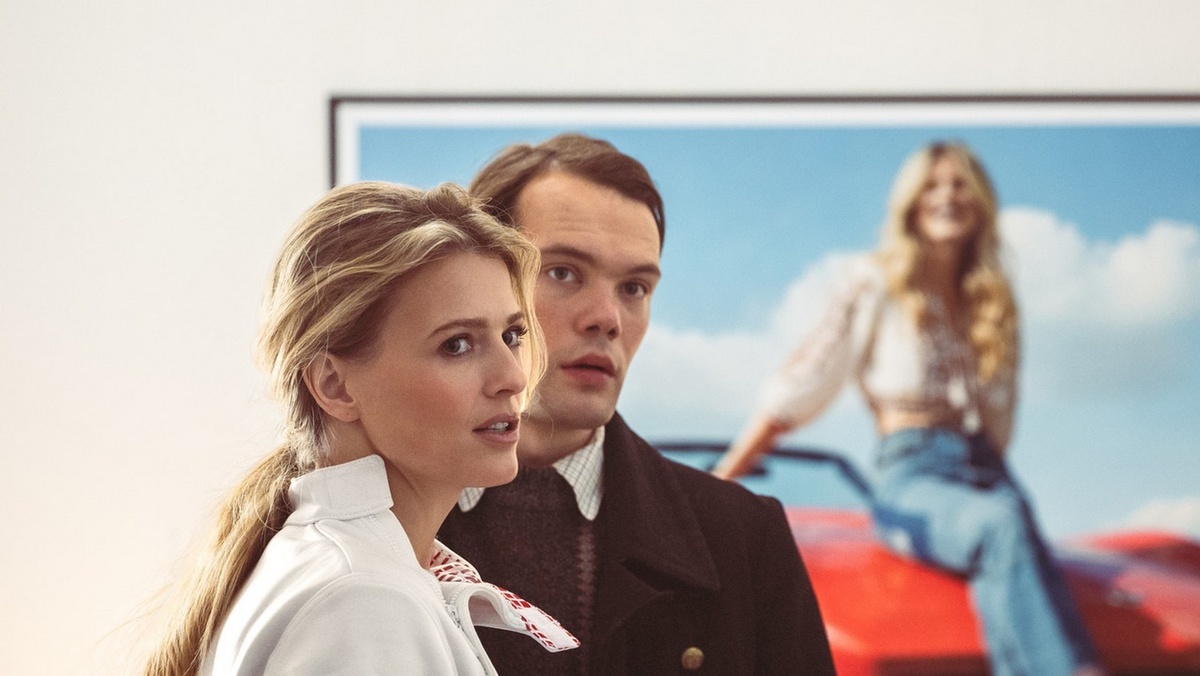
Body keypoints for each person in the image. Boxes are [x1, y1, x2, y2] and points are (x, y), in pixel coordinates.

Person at [437, 133, 835, 675]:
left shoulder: (745, 539)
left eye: (634, 288)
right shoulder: (361, 521)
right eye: (563, 272)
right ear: (473, 284)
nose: (608, 318)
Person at [143, 182, 578, 675]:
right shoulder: (366, 602)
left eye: (512, 335)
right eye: (457, 344)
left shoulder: (353, 574)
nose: (513, 377)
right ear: (335, 385)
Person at [713, 142, 1105, 676]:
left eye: (961, 184)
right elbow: (801, 387)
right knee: (1000, 525)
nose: (947, 196)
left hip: (992, 474)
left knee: (1020, 541)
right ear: (910, 202)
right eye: (932, 185)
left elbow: (999, 422)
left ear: (981, 201)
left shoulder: (992, 302)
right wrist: (719, 485)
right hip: (912, 476)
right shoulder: (874, 279)